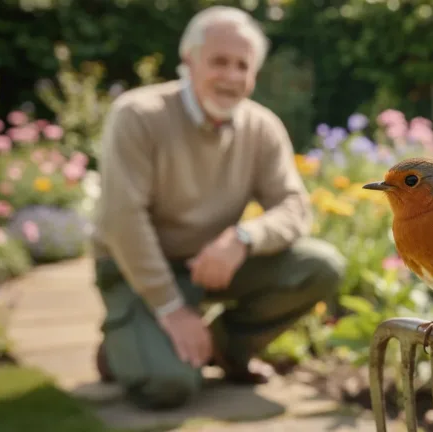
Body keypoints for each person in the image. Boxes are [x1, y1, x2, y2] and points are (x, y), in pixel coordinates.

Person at [90, 6, 345, 411]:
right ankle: (124, 347)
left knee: (320, 266)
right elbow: (123, 220)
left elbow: (294, 207)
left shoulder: (262, 126)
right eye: (219, 62)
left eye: (242, 65)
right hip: (133, 267)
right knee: (168, 387)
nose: (231, 76)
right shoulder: (138, 116)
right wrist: (172, 309)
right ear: (188, 61)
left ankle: (226, 350)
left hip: (210, 264)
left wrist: (244, 238)